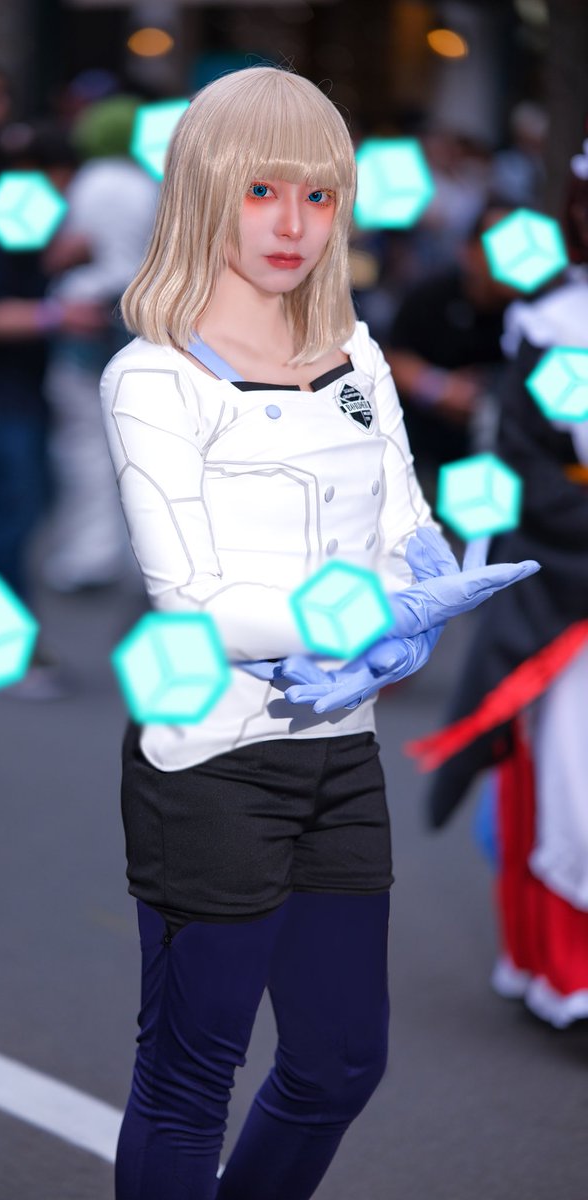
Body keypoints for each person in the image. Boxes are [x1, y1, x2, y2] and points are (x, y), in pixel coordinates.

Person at [98, 66, 537, 1199]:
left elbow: (403, 524)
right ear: (203, 192)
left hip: (340, 754)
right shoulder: (152, 377)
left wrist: (421, 594)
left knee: (339, 1062)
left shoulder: (358, 353)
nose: (292, 224)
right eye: (260, 191)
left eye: (318, 194)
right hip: (208, 759)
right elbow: (191, 602)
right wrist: (365, 616)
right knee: (189, 1080)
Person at [408, 137, 588, 1030]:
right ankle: (567, 975)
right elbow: (530, 466)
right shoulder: (556, 324)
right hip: (572, 598)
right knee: (571, 795)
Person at [0, 121, 106, 699]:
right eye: (60, 183)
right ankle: (11, 652)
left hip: (15, 395)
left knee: (12, 523)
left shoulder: (7, 227)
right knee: (9, 524)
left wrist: (56, 269)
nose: (63, 197)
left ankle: (4, 643)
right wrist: (55, 316)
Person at [42, 94, 159, 592]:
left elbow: (64, 248)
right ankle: (139, 556)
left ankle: (89, 554)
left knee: (83, 439)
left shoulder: (84, 184)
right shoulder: (152, 187)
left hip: (83, 312)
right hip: (137, 317)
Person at [384, 203, 517, 487]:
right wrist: (440, 388)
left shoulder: (537, 314)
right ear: (469, 252)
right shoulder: (432, 295)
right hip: (424, 451)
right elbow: (393, 359)